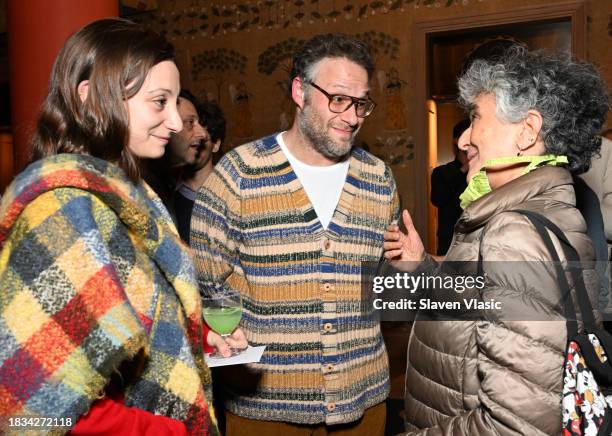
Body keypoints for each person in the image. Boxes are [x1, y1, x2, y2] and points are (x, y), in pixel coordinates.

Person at [0, 18, 245, 435]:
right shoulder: (64, 208)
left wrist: (198, 338)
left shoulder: (124, 195)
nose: (174, 122)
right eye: (159, 102)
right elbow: (36, 408)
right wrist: (170, 431)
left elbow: (121, 314)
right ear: (92, 96)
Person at [384, 46, 608, 434]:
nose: (464, 139)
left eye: (475, 118)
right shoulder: (545, 212)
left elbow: (513, 426)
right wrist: (421, 267)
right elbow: (480, 309)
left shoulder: (515, 231)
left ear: (527, 131)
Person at [191, 33, 399, 435]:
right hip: (265, 410)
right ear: (300, 91)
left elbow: (381, 291)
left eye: (360, 103)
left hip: (364, 404)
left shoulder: (378, 178)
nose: (352, 116)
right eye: (338, 99)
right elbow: (204, 285)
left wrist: (406, 269)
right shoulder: (238, 175)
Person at [174, 99, 226, 244]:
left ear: (216, 145)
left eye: (202, 140)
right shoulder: (167, 193)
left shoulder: (230, 193)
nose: (194, 143)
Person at [430, 119, 470, 255]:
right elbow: (437, 199)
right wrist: (463, 170)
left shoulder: (483, 171)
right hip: (449, 241)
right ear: (456, 141)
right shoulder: (441, 172)